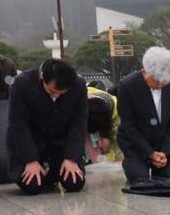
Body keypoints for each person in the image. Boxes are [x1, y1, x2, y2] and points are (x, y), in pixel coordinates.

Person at [7, 58, 87, 195]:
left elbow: (79, 123)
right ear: (42, 77)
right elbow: (18, 124)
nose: (57, 96)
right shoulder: (21, 84)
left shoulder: (78, 85)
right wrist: (30, 160)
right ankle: (41, 173)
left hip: (61, 142)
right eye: (52, 91)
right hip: (32, 140)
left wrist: (71, 158)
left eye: (62, 94)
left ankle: (54, 175)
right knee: (32, 186)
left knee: (74, 183)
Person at [117, 47, 170, 183]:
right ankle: (132, 160)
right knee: (139, 177)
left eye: (165, 82)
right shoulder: (127, 86)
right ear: (145, 72)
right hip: (136, 142)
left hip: (163, 139)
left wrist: (165, 151)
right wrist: (150, 153)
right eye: (157, 81)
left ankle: (160, 161)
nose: (161, 86)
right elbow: (128, 126)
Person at [85, 85, 120, 163]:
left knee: (106, 147)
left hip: (108, 120)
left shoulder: (119, 112)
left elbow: (118, 146)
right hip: (86, 118)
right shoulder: (76, 95)